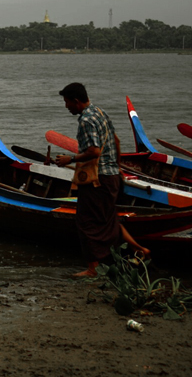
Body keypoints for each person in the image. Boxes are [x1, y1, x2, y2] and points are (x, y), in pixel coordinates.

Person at [55, 82, 149, 277]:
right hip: (112, 175)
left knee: (86, 222)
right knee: (107, 220)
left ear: (76, 101)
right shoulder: (100, 112)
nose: (66, 107)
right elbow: (115, 141)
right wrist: (118, 167)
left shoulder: (86, 121)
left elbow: (94, 151)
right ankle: (139, 249)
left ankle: (93, 268)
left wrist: (69, 159)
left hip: (98, 179)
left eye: (67, 102)